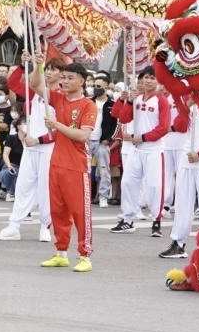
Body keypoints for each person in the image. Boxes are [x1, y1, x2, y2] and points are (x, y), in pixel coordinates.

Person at [31, 62, 97, 271]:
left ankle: (85, 256)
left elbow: (83, 136)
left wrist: (57, 125)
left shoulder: (88, 105)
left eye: (70, 78)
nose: (65, 81)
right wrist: (38, 65)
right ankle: (61, 253)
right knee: (58, 211)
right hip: (57, 163)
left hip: (76, 167)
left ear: (82, 80)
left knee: (80, 212)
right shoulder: (58, 98)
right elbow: (35, 85)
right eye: (64, 77)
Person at [0, 53, 60, 242]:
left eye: (53, 70)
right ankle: (14, 226)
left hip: (47, 148)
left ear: (62, 75)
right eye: (47, 69)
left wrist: (40, 140)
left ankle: (45, 226)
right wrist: (25, 66)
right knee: (23, 187)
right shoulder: (35, 95)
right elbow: (13, 84)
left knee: (45, 189)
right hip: (30, 147)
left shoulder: (60, 97)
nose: (49, 73)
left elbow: (61, 130)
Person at [109, 67, 171, 236]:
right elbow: (123, 118)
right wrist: (128, 101)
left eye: (152, 78)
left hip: (154, 150)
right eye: (145, 78)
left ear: (158, 81)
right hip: (137, 150)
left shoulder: (161, 101)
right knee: (128, 182)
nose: (148, 81)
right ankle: (127, 220)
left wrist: (143, 137)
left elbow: (164, 127)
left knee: (154, 186)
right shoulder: (136, 99)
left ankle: (156, 220)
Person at [159, 102, 199, 259]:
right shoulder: (190, 100)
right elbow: (180, 126)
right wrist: (185, 108)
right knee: (182, 203)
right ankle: (178, 243)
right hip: (187, 158)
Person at [91, 74, 116, 208]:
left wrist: (108, 138)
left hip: (102, 142)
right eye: (94, 86)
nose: (96, 89)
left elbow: (116, 123)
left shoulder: (112, 105)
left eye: (98, 86)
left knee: (104, 170)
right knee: (82, 169)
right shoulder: (89, 101)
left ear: (106, 86)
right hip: (87, 139)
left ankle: (103, 197)